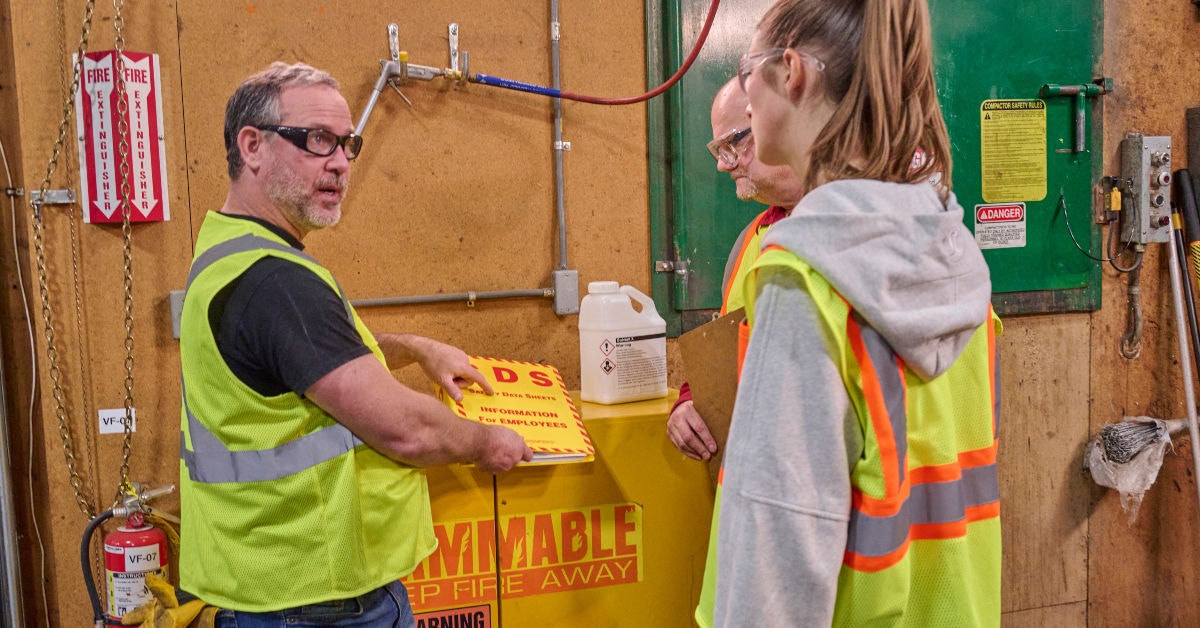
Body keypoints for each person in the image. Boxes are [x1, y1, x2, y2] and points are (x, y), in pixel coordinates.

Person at [176, 61, 532, 626]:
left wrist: (413, 348)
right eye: (317, 140)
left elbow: (308, 362)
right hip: (318, 599)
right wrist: (489, 443)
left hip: (272, 587)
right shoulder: (274, 281)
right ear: (252, 146)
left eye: (346, 144)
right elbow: (404, 430)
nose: (340, 163)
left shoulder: (231, 254)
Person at [710, 0, 1002, 626]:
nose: (745, 100)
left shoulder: (806, 280)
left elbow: (774, 567)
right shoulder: (953, 256)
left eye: (744, 73)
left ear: (791, 73)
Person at [666, 78, 804, 462]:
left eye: (734, 143)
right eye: (718, 149)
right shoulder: (751, 239)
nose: (723, 165)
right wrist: (690, 404)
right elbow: (728, 352)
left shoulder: (863, 232)